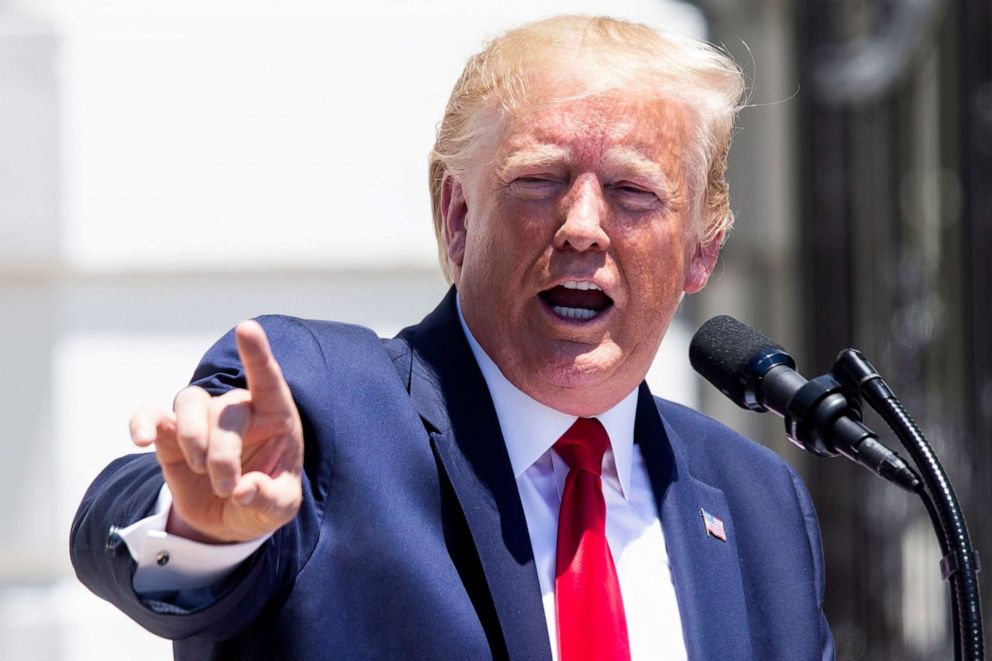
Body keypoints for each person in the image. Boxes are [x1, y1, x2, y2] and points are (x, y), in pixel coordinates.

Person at [71, 15, 834, 660]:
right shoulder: (327, 404)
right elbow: (117, 515)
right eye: (539, 180)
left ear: (702, 248)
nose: (581, 226)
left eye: (632, 192)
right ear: (458, 217)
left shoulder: (759, 504)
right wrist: (200, 525)